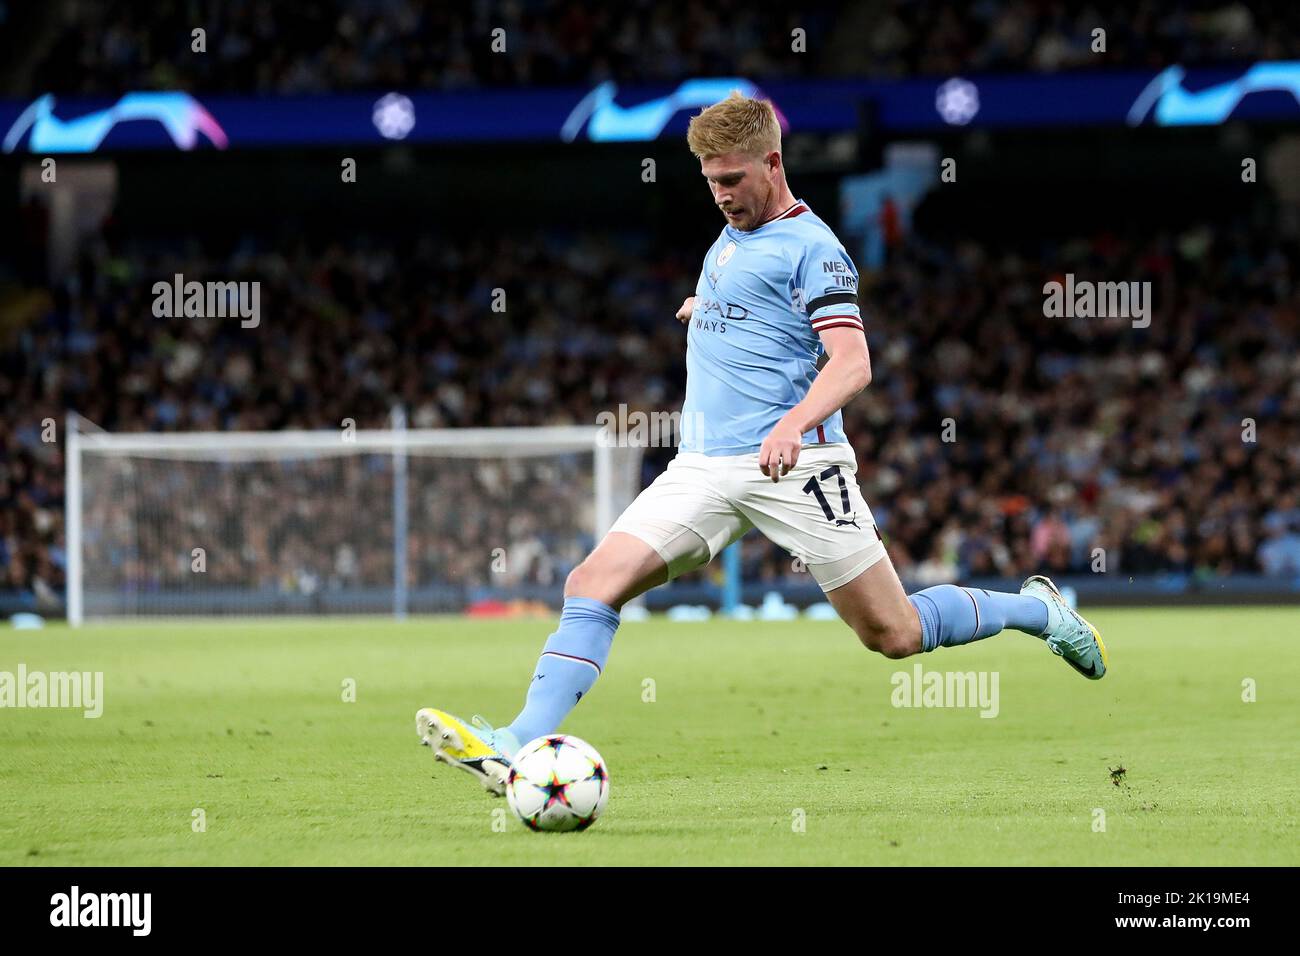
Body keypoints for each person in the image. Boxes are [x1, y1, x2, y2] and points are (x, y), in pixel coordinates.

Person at [417, 92, 1107, 795]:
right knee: (592, 584)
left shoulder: (815, 248)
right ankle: (517, 741)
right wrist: (706, 310)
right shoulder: (730, 236)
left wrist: (791, 424)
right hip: (704, 467)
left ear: (772, 163)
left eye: (732, 179)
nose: (719, 194)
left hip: (798, 464)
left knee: (893, 634)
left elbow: (852, 363)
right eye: (710, 181)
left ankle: (1038, 610)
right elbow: (759, 314)